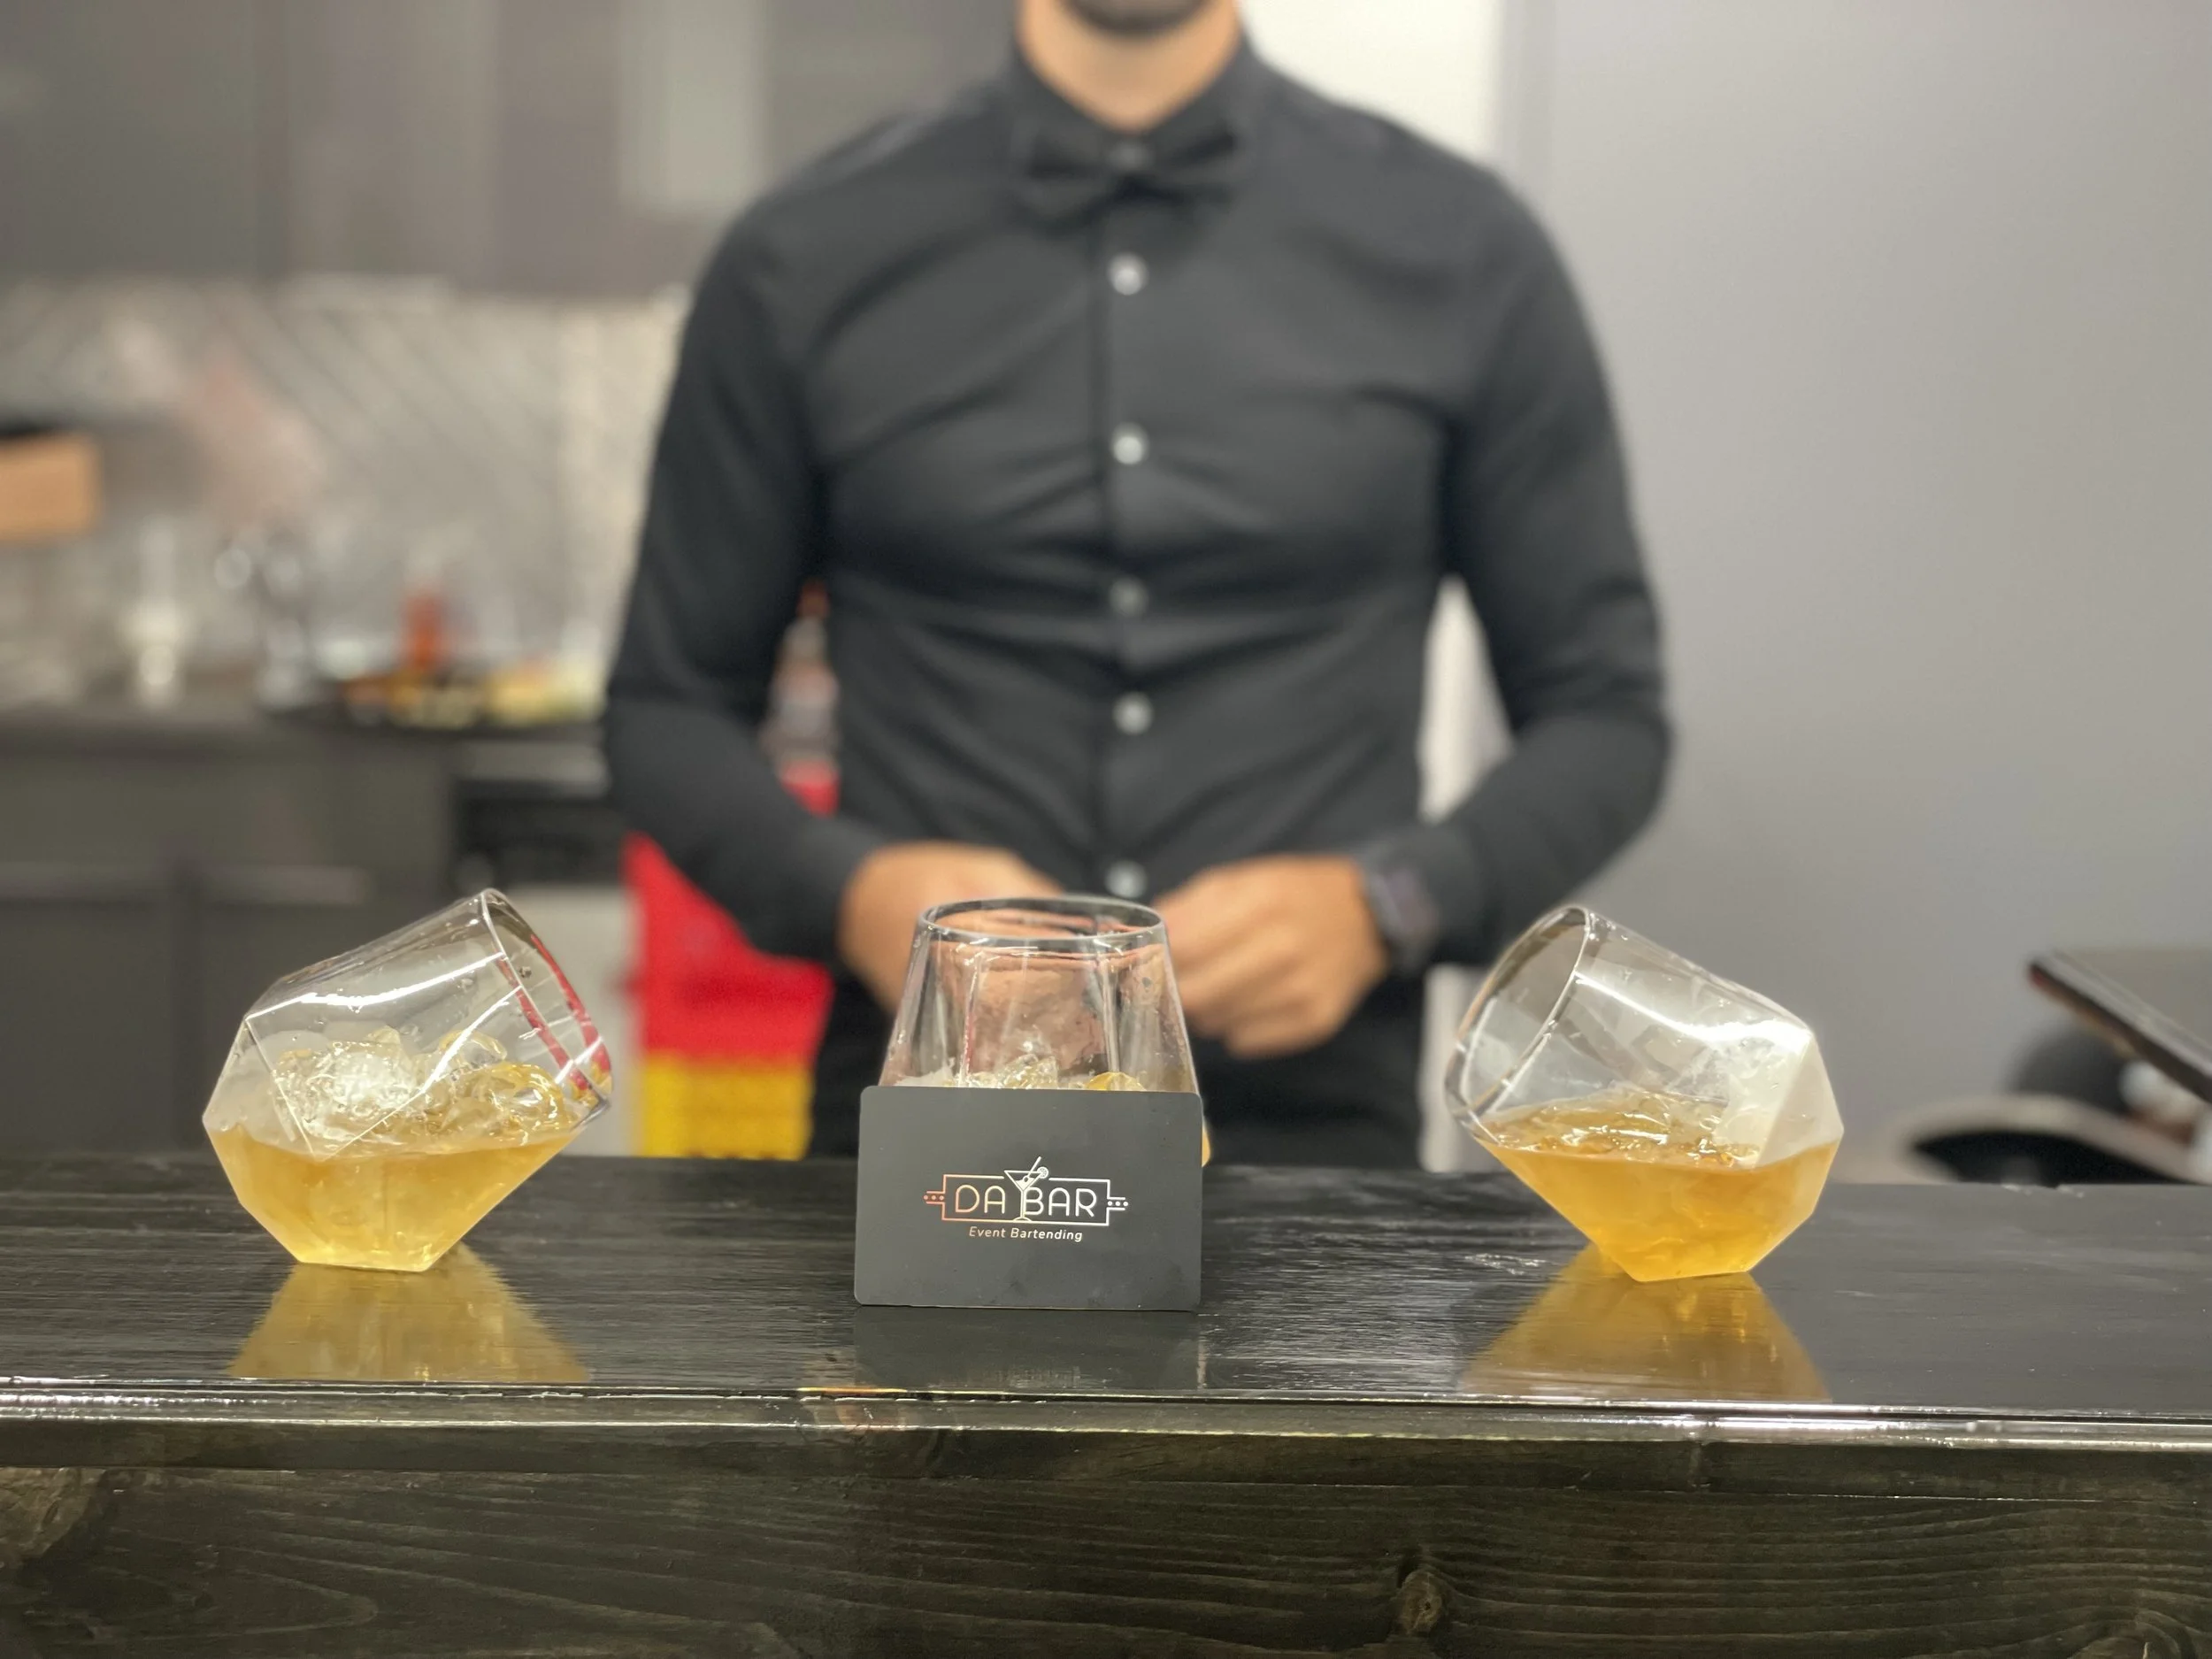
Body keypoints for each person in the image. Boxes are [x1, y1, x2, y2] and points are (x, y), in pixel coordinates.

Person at [604, 0, 1669, 1167]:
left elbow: (1604, 715)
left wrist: (1391, 901)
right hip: (918, 1129)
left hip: (1315, 1156)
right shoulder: (801, 255)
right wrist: (851, 891)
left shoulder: (1464, 247)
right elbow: (666, 709)